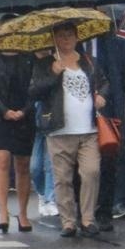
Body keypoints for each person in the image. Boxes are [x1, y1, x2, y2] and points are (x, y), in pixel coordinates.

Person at [29, 22, 109, 238]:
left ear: (76, 37)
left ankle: (88, 218)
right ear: (54, 39)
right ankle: (68, 221)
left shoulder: (88, 61)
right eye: (61, 36)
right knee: (62, 178)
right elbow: (34, 91)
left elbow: (103, 83)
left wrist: (102, 95)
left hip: (88, 129)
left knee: (91, 171)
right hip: (59, 130)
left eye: (69, 35)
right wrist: (53, 74)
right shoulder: (46, 63)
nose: (66, 40)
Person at [0, 43, 36, 231]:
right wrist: (4, 111)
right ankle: (3, 211)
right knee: (1, 161)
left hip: (24, 115)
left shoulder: (29, 55)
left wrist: (24, 110)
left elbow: (35, 86)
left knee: (23, 164)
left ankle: (23, 213)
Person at [87, 33, 125, 229]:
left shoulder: (115, 43)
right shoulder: (74, 44)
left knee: (112, 156)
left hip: (111, 108)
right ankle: (85, 207)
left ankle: (112, 205)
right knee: (87, 164)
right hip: (80, 112)